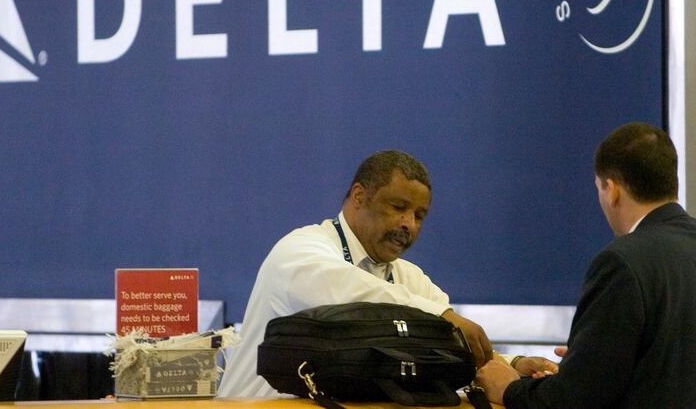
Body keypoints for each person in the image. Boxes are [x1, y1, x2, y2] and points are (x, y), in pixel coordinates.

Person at [219, 149, 553, 397]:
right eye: (398, 207)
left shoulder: (409, 278)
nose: (409, 224)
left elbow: (447, 352)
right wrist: (441, 315)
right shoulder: (300, 251)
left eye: (420, 215)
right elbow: (355, 300)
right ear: (359, 196)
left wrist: (510, 364)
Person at [477, 122, 696, 408]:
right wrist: (591, 356)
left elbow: (573, 400)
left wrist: (507, 387)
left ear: (612, 189)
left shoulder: (623, 261)